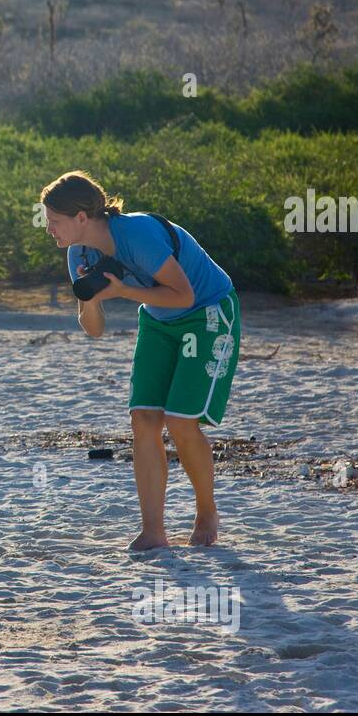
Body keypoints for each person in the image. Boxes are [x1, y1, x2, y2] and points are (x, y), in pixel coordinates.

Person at [40, 170, 241, 550]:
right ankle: (153, 532)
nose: (48, 228)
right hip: (158, 319)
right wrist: (93, 297)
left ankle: (206, 511)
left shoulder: (137, 235)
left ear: (81, 218)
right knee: (143, 419)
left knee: (181, 421)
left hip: (207, 311)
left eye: (54, 221)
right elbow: (93, 329)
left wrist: (124, 290)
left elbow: (182, 295)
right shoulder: (78, 252)